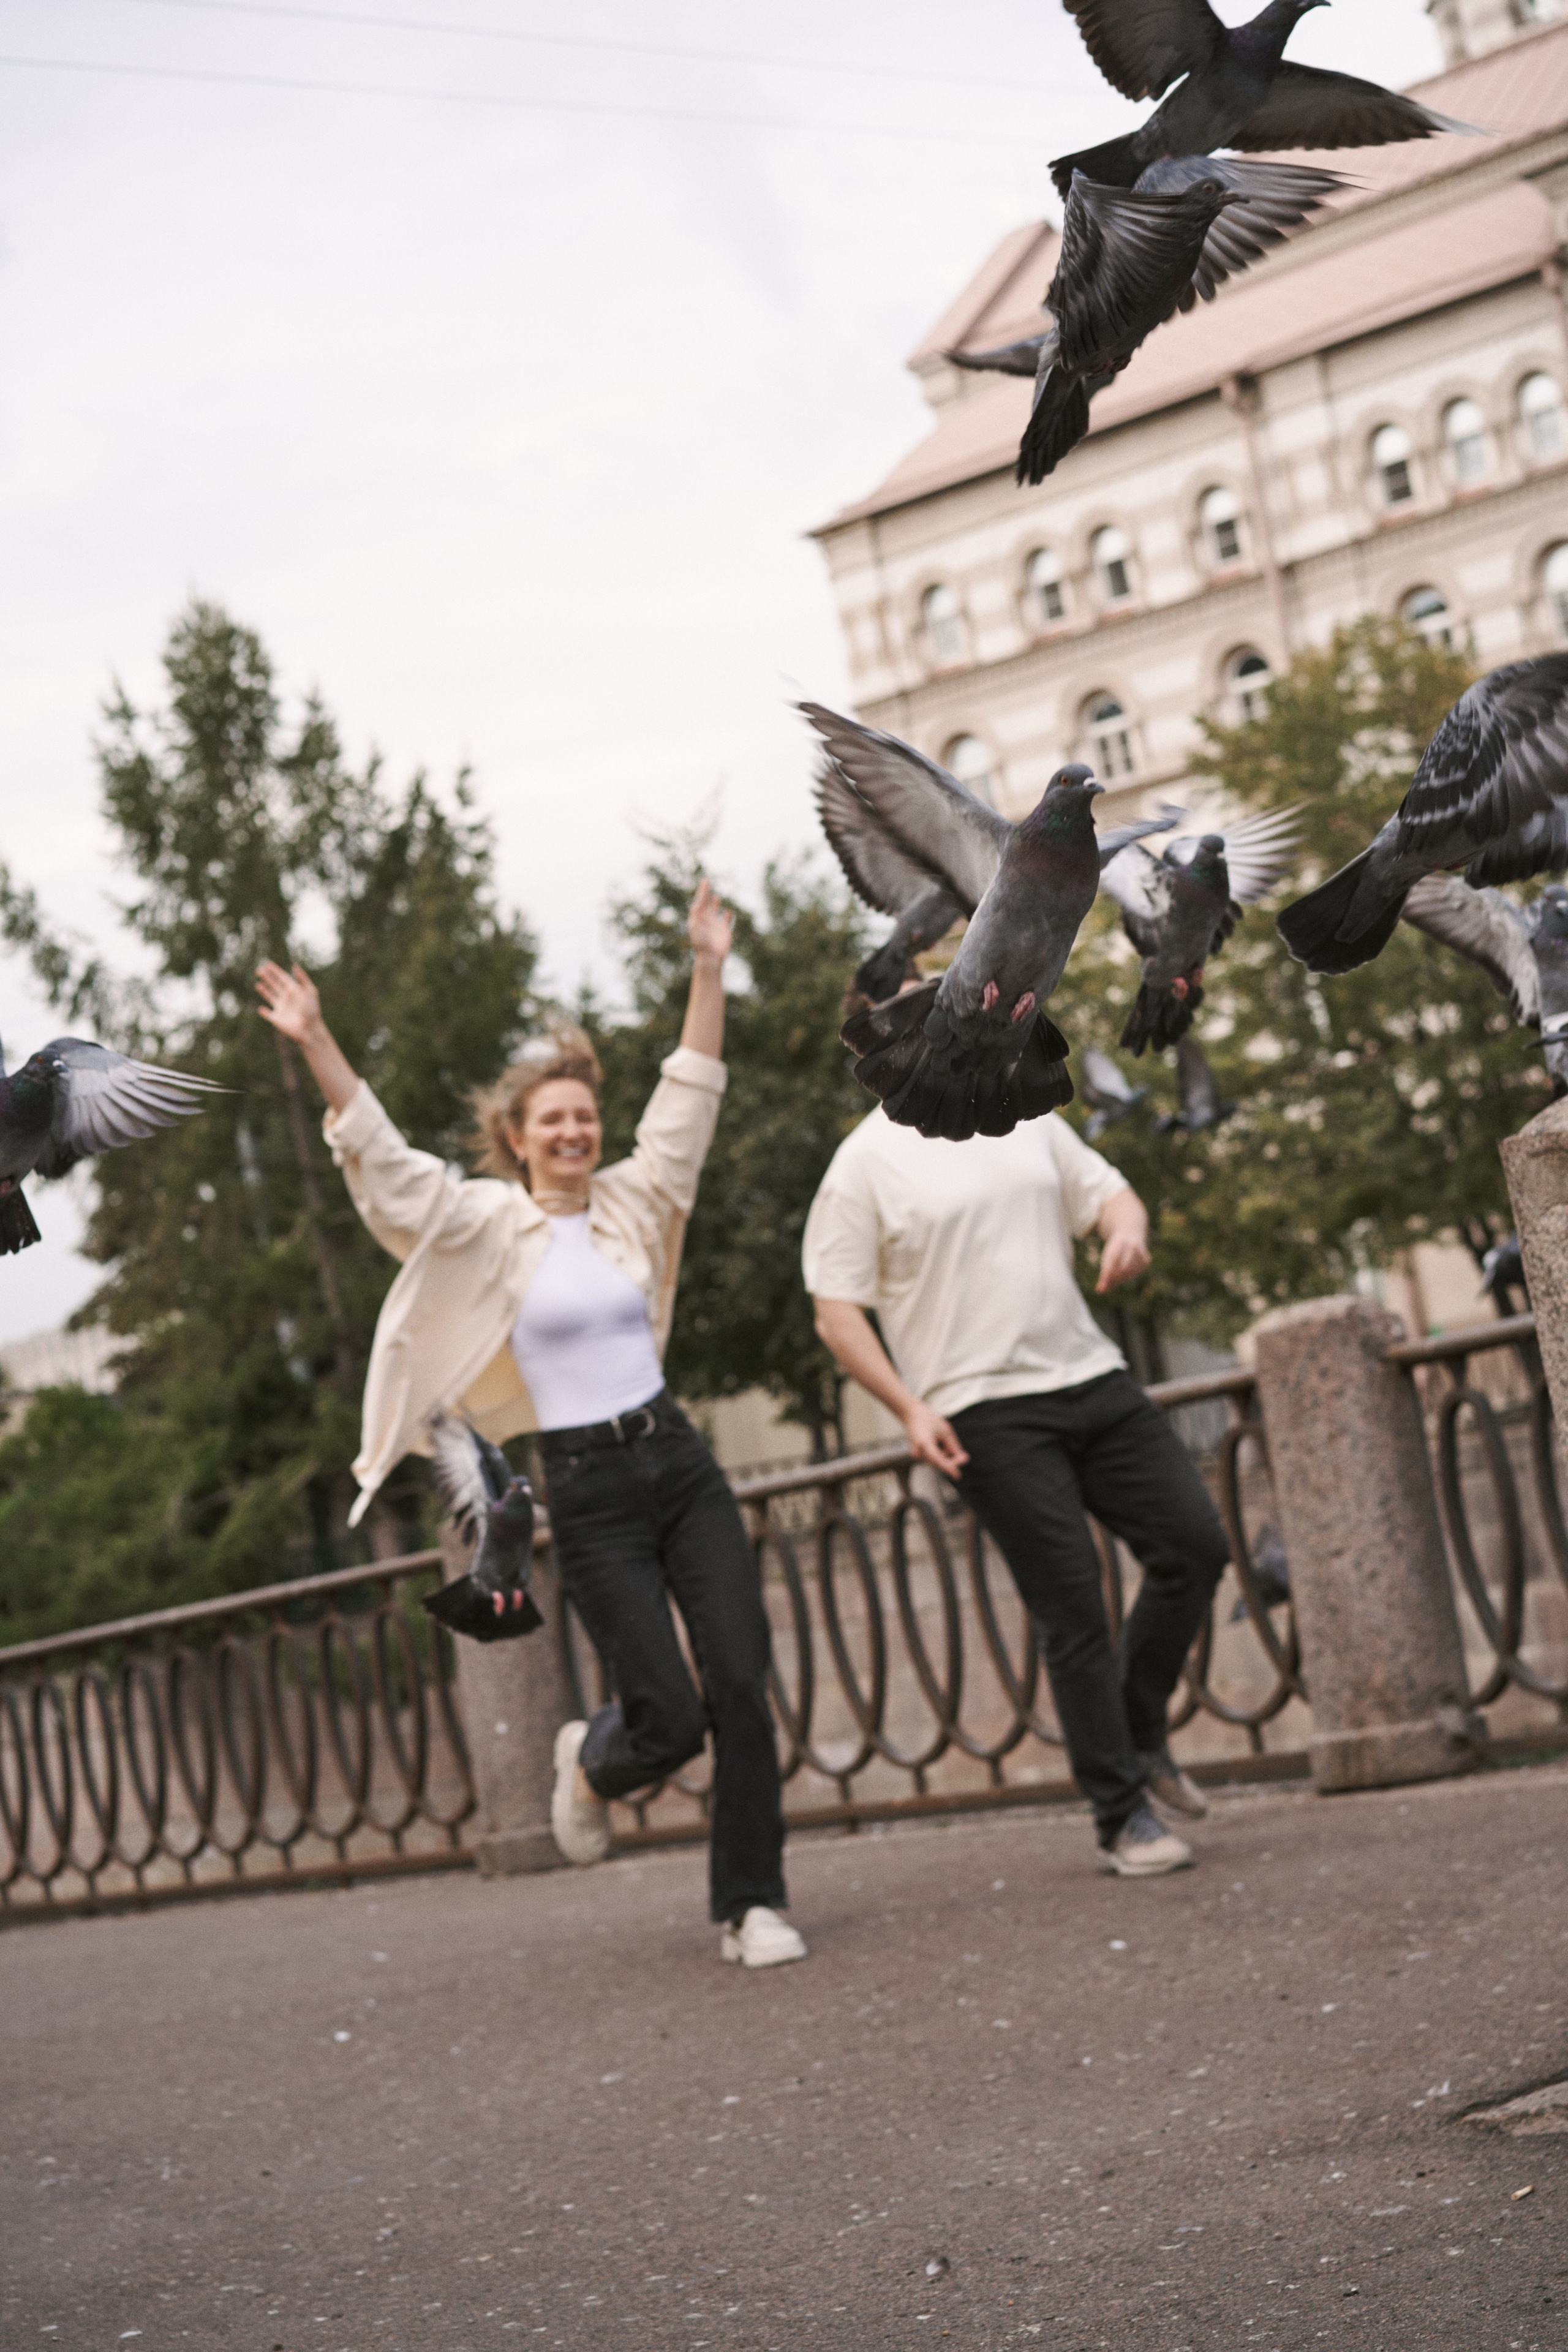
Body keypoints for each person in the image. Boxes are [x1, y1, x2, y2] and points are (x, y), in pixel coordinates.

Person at [255, 882, 805, 1969]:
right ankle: (594, 1762)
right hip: (589, 1491)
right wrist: (317, 1040)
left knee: (742, 1683)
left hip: (676, 1460)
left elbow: (690, 1095)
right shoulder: (484, 1222)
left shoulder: (638, 1200)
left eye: (584, 1116)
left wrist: (707, 967)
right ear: (516, 1137)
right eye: (551, 1118)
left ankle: (753, 1905)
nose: (572, 1130)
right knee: (669, 1719)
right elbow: (389, 1170)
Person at [803, 1090, 1229, 1878]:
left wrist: (1126, 1233)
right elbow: (835, 1311)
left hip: (1091, 1376)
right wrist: (908, 1409)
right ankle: (1121, 1815)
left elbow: (1112, 1195)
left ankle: (1138, 1726)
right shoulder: (864, 1162)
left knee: (1195, 1545)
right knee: (1073, 1600)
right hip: (981, 1407)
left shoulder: (1025, 1115)